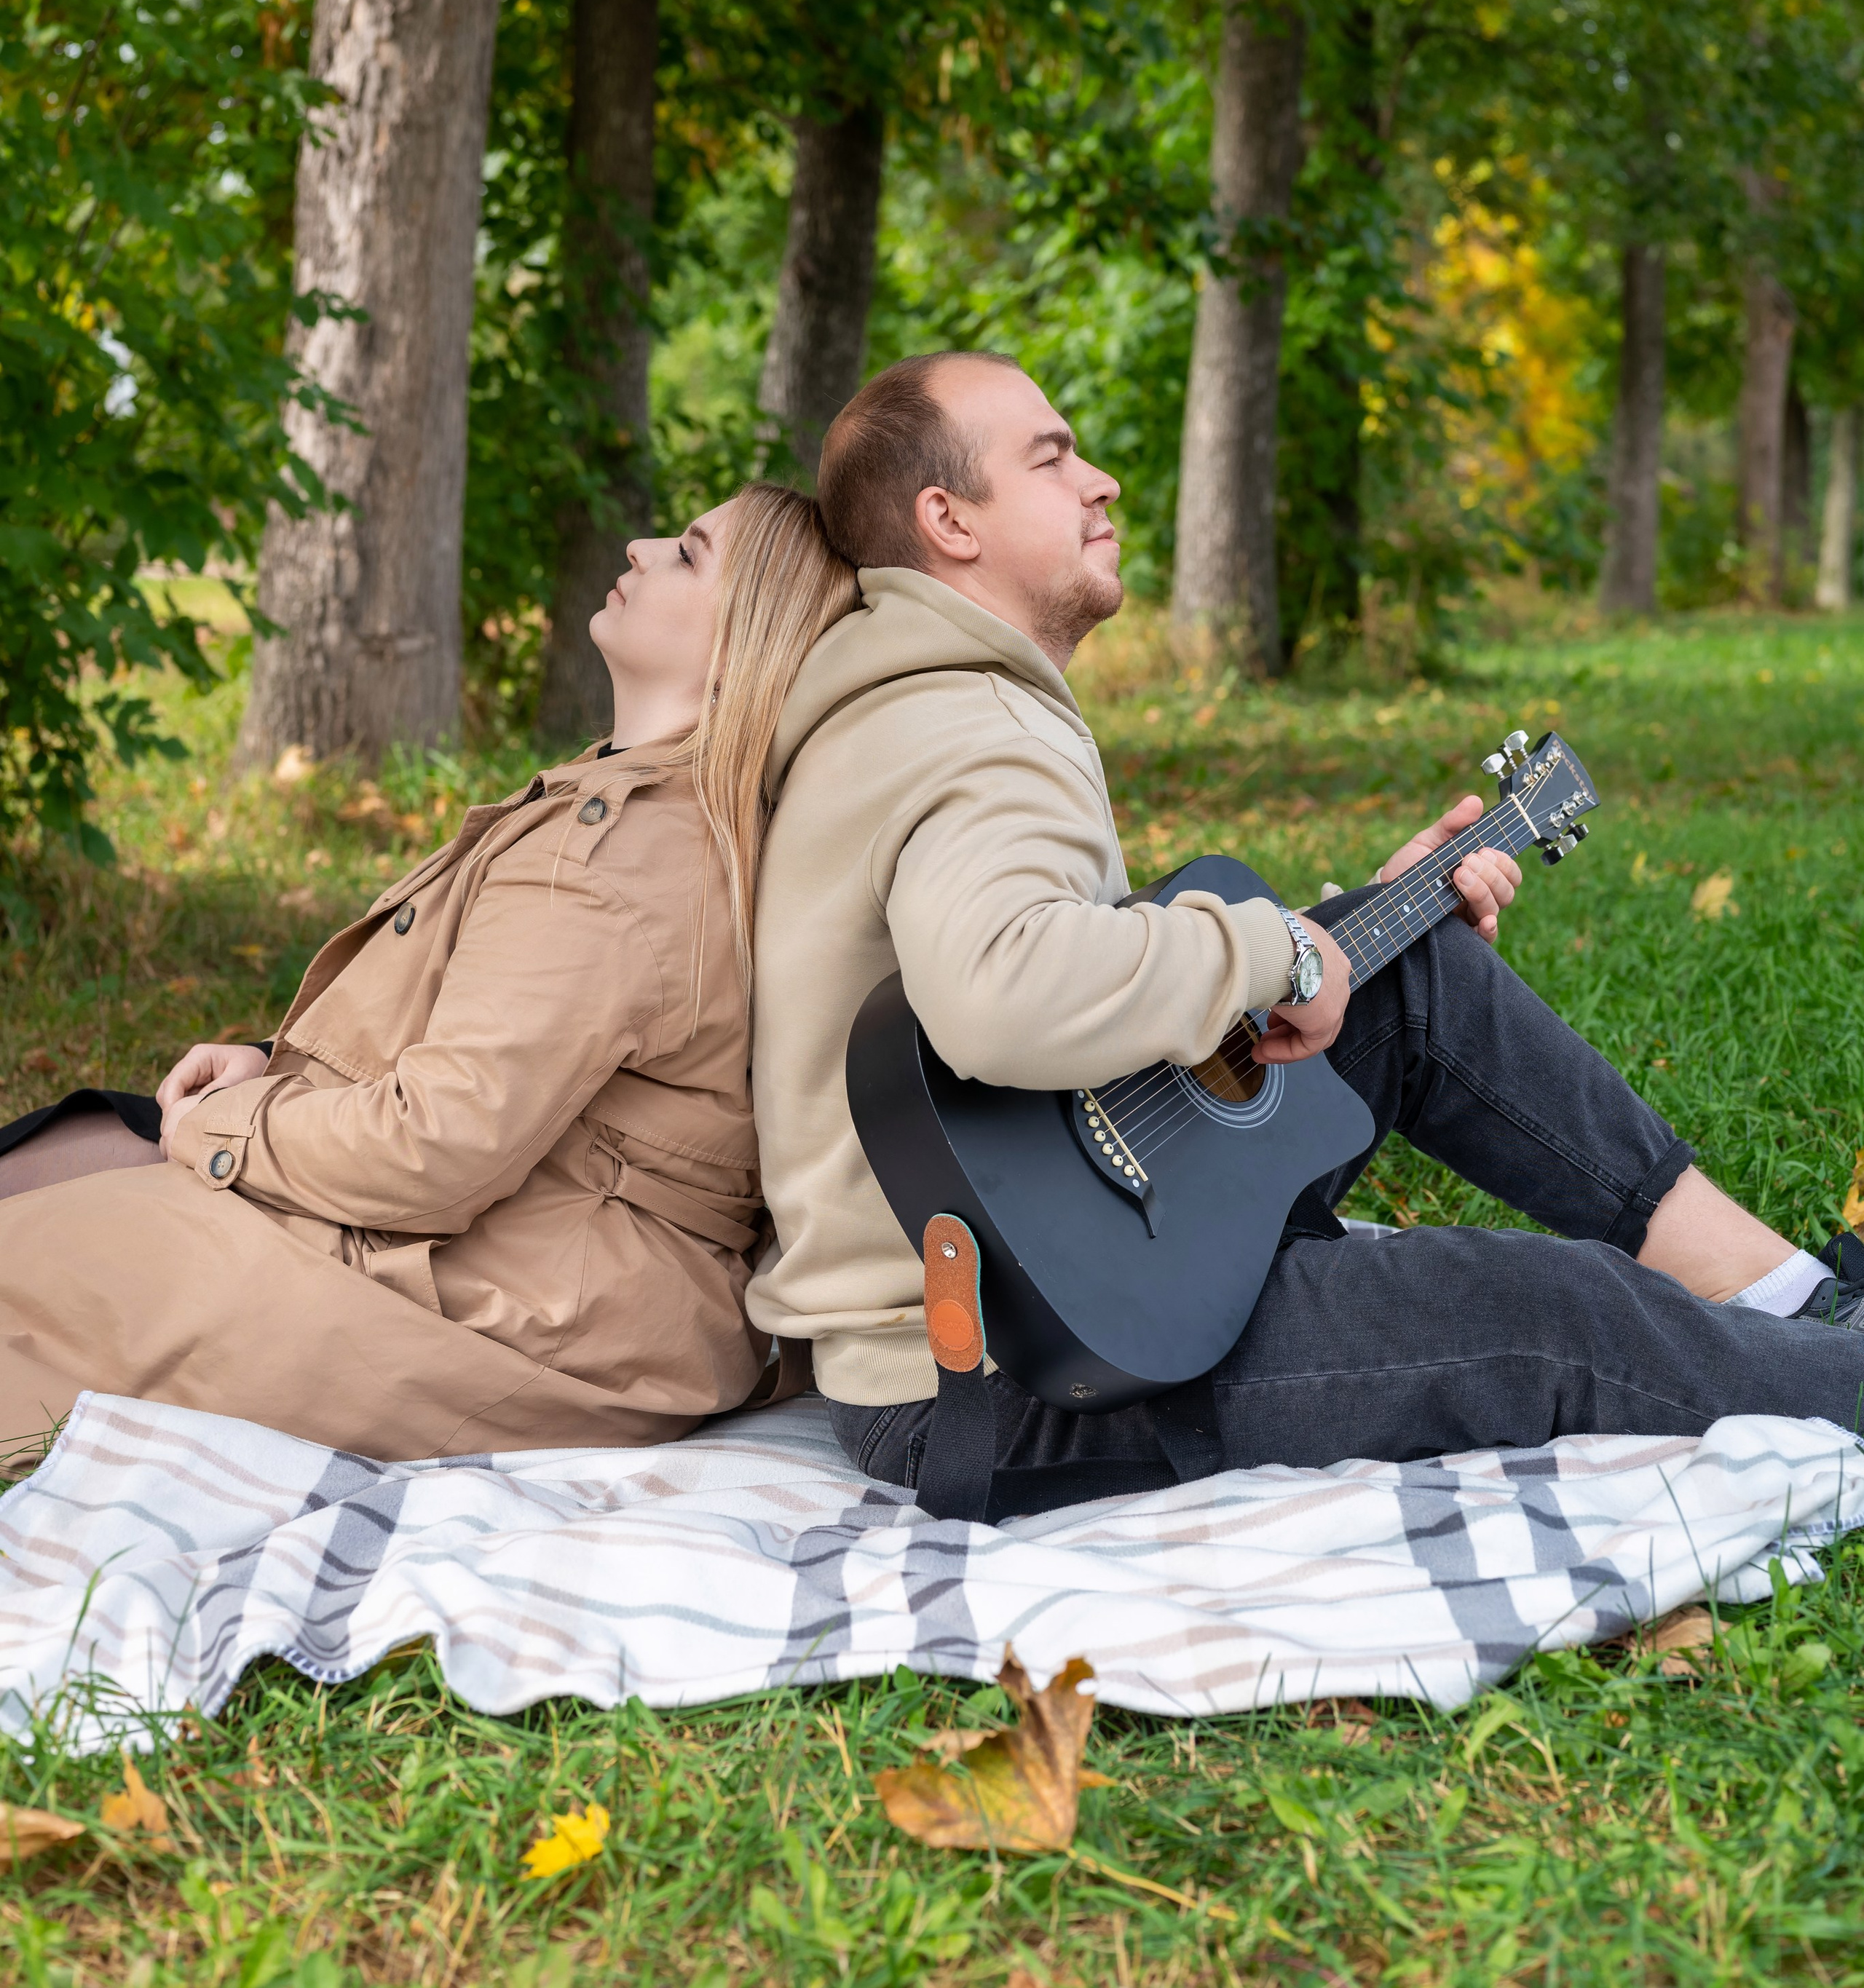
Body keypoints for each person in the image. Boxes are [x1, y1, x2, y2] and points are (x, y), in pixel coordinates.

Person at [748, 352, 1864, 1517]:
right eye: (1052, 457)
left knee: (1410, 974)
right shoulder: (963, 721)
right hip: (1003, 1374)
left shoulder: (925, 693)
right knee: (1551, 1313)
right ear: (949, 520)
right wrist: (1276, 948)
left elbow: (1035, 977)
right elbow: (998, 992)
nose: (1104, 481)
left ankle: (1788, 1293)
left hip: (1051, 1253)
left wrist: (1339, 936)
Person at [0, 483, 855, 1466]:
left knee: (34, 1266)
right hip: (557, 1277)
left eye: (691, 554)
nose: (641, 545)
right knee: (73, 1149)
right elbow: (487, 1046)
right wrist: (267, 1063)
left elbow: (436, 1148)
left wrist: (221, 1132)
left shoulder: (616, 857)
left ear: (748, 640)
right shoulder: (631, 805)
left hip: (512, 1311)